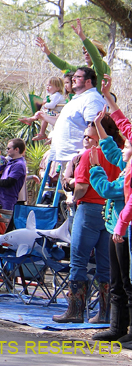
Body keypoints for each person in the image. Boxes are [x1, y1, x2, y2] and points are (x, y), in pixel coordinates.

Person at [54, 115, 121, 323]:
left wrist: (73, 195)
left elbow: (82, 188)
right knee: (105, 264)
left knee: (78, 261)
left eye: (90, 128)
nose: (86, 134)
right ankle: (104, 313)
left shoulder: (89, 156)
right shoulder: (118, 156)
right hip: (109, 211)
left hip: (89, 210)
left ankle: (75, 312)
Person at [89, 102, 132, 343]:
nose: (122, 148)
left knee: (127, 281)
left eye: (126, 145)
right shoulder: (126, 166)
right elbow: (111, 149)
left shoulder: (128, 176)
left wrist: (96, 169)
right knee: (116, 281)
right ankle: (117, 328)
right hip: (115, 230)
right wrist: (98, 124)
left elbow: (107, 189)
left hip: (125, 232)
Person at [39, 67, 107, 187]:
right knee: (69, 199)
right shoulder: (77, 99)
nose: (73, 79)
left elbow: (94, 126)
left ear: (88, 81)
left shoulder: (92, 99)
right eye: (73, 77)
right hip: (68, 158)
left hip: (79, 158)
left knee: (78, 199)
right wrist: (43, 116)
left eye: (77, 77)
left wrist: (86, 154)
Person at [34, 18, 110, 89]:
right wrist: (48, 52)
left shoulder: (101, 66)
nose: (86, 54)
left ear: (100, 54)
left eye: (89, 51)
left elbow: (96, 57)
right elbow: (65, 67)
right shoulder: (83, 69)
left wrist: (82, 36)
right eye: (84, 52)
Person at [25, 76, 67, 141]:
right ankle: (41, 132)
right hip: (54, 112)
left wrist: (44, 104)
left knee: (42, 114)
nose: (47, 87)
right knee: (42, 114)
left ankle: (33, 121)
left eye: (50, 85)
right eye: (47, 85)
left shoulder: (57, 95)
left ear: (58, 87)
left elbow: (52, 105)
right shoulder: (52, 96)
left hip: (58, 113)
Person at [0, 139, 28, 212]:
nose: (7, 150)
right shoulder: (10, 162)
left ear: (16, 149)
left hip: (7, 200)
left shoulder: (19, 165)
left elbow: (9, 182)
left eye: (8, 148)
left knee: (4, 221)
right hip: (0, 198)